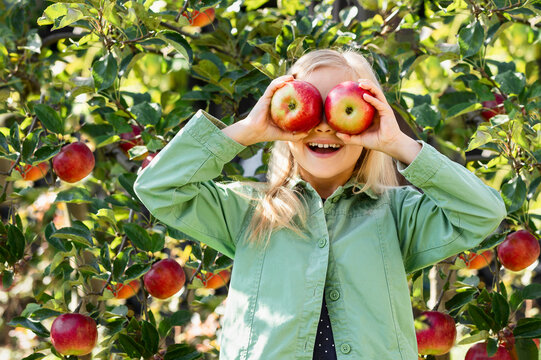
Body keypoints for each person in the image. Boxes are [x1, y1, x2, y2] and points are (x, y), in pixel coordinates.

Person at [134, 49, 507, 360]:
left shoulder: (397, 215)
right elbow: (159, 187)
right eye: (312, 107)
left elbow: (483, 212)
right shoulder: (249, 210)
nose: (325, 126)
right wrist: (246, 131)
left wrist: (399, 144)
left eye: (342, 108)